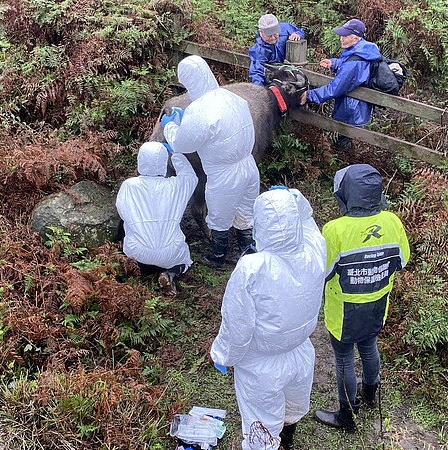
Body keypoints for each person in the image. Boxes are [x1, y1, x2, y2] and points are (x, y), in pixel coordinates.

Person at [210, 187, 327, 450]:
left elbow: (237, 324)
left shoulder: (253, 268)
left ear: (259, 222)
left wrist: (223, 355)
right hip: (300, 352)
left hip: (260, 364)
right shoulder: (314, 251)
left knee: (260, 422)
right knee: (292, 405)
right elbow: (310, 226)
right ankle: (286, 443)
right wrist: (298, 198)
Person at [315, 164, 410, 431]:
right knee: (369, 348)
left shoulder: (335, 229)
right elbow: (402, 260)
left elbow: (324, 271)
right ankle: (370, 394)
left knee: (344, 359)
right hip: (378, 303)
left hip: (344, 309)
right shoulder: (392, 222)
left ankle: (347, 416)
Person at [162, 55, 260, 269]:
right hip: (248, 165)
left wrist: (170, 126)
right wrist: (184, 121)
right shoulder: (231, 96)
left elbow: (182, 144)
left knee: (219, 215)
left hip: (224, 172)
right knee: (245, 210)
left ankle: (218, 256)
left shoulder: (200, 110)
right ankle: (247, 251)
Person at [115, 141, 198, 294]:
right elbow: (191, 177)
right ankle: (170, 273)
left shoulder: (129, 186)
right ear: (163, 162)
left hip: (137, 251)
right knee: (185, 261)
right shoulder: (176, 186)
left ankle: (140, 269)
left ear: (140, 160)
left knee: (128, 232)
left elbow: (123, 213)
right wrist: (176, 154)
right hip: (170, 252)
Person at [300, 19, 381, 149]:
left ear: (355, 38)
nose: (340, 39)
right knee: (344, 138)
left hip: (351, 109)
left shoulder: (355, 62)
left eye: (345, 36)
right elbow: (352, 69)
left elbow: (336, 88)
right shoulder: (363, 49)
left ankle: (345, 160)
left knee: (343, 141)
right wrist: (334, 63)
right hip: (356, 106)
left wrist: (310, 95)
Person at [249, 13, 305, 86]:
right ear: (261, 32)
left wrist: (298, 34)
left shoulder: (285, 28)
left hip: (293, 69)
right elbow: (256, 73)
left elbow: (300, 31)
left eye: (275, 33)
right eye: (269, 35)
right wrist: (259, 90)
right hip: (275, 77)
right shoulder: (259, 50)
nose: (272, 37)